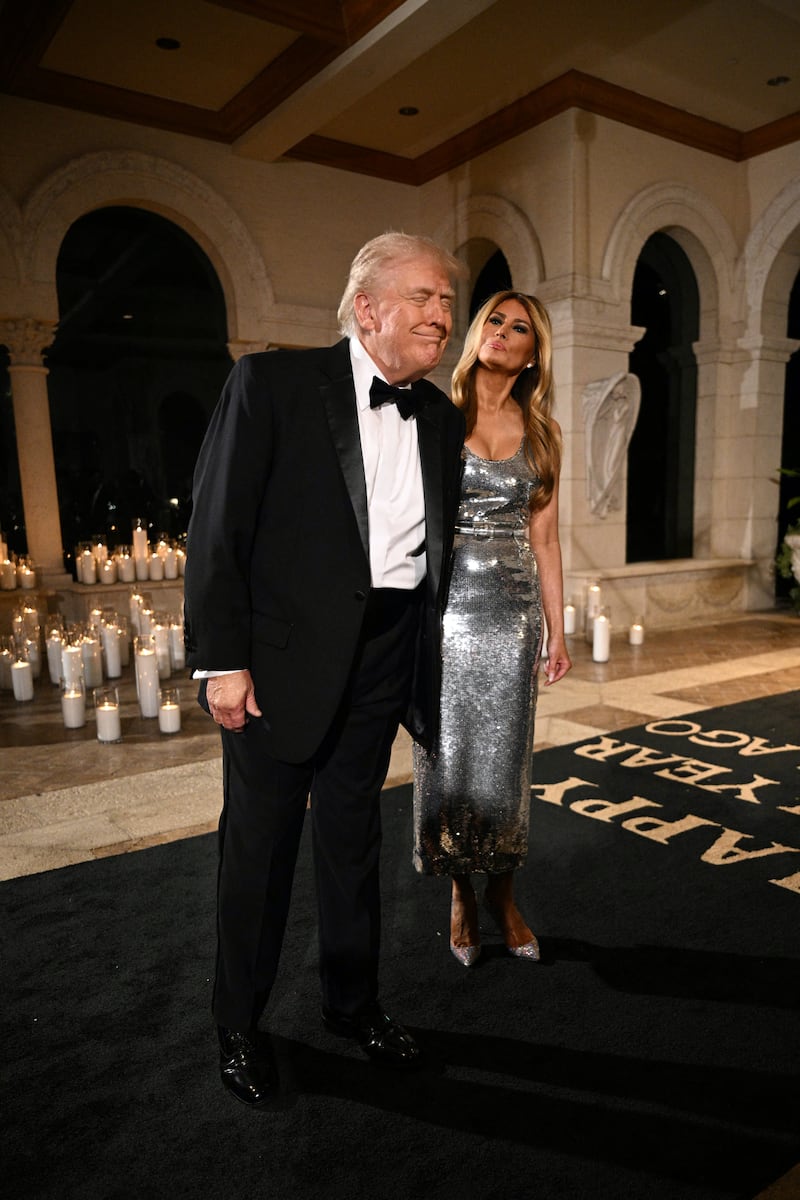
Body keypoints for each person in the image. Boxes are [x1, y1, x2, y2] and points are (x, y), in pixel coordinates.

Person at [183, 232, 465, 1108]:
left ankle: (354, 1005)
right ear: (367, 308)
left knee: (354, 848)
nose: (441, 315)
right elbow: (217, 529)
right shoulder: (270, 384)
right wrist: (222, 663)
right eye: (422, 297)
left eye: (448, 301)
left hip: (383, 657)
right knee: (258, 855)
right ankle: (239, 1023)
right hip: (276, 667)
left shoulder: (442, 417)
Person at [412, 290, 571, 966]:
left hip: (510, 618)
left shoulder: (542, 433)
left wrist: (555, 632)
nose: (503, 333)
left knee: (506, 765)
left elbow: (548, 538)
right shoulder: (434, 418)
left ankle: (503, 895)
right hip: (445, 613)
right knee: (449, 762)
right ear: (478, 332)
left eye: (520, 329)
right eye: (496, 321)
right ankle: (459, 896)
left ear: (535, 353)